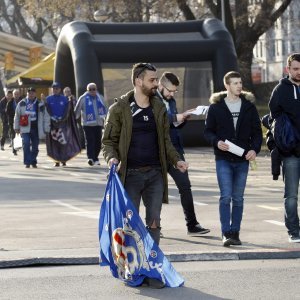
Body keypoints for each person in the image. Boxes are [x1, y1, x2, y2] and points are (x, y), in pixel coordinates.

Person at [102, 62, 188, 289]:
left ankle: (152, 269)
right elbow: (108, 141)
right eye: (152, 80)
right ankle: (133, 268)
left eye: (156, 79)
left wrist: (176, 159)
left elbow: (166, 141)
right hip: (129, 175)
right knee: (129, 225)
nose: (156, 83)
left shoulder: (159, 107)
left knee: (154, 223)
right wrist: (111, 158)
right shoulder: (120, 109)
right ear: (138, 81)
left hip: (155, 175)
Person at [204, 71, 262, 247]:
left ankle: (235, 232)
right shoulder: (216, 107)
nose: (239, 86)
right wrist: (216, 141)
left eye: (240, 83)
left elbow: (257, 134)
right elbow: (207, 132)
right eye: (235, 83)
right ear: (227, 86)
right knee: (225, 197)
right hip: (223, 159)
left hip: (243, 159)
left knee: (238, 198)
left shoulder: (249, 107)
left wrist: (254, 150)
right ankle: (225, 233)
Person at [156, 72, 210, 236]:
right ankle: (154, 226)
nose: (172, 94)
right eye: (170, 90)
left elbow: (172, 123)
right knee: (156, 190)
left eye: (174, 91)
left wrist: (182, 119)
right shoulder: (151, 99)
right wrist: (176, 117)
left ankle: (192, 225)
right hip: (157, 151)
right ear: (160, 85)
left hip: (176, 150)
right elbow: (157, 119)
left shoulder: (170, 101)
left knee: (185, 187)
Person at [269, 53, 300, 243]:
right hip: (290, 153)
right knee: (291, 196)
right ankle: (294, 231)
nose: (299, 72)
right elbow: (273, 120)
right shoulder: (280, 90)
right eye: (295, 69)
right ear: (288, 69)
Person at [46, 82, 81, 167]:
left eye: (57, 88)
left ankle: (63, 159)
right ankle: (56, 160)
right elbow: (47, 110)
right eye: (54, 88)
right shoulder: (48, 99)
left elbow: (68, 110)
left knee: (63, 141)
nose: (55, 90)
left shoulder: (65, 99)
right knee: (54, 142)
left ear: (60, 89)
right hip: (52, 124)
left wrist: (62, 118)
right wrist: (53, 117)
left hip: (63, 123)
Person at [14, 87, 50, 168]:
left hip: (36, 128)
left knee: (35, 147)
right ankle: (27, 162)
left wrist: (46, 128)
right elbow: (17, 116)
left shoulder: (39, 103)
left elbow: (46, 116)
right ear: (27, 94)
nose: (31, 94)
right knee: (26, 144)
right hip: (25, 127)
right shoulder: (22, 103)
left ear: (35, 94)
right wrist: (16, 127)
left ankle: (33, 160)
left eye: (33, 93)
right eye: (29, 93)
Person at [75, 83, 106, 166]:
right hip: (87, 124)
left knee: (98, 142)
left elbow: (105, 109)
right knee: (90, 141)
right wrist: (74, 118)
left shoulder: (100, 98)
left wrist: (106, 120)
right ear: (87, 90)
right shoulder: (83, 98)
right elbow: (77, 110)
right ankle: (91, 158)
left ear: (96, 89)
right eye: (90, 89)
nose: (92, 91)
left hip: (98, 123)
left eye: (94, 89)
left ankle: (96, 158)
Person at [6, 89, 22, 155]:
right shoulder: (10, 102)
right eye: (15, 94)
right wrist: (14, 114)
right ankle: (14, 150)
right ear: (13, 95)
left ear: (19, 95)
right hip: (12, 121)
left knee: (19, 134)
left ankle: (17, 147)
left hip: (21, 121)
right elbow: (7, 111)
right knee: (13, 135)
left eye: (17, 94)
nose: (16, 95)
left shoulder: (22, 102)